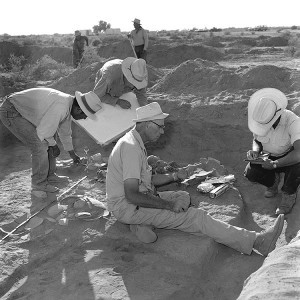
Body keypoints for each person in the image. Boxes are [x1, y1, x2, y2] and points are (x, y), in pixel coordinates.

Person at [106, 101, 285, 256]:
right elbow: (132, 195)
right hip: (127, 205)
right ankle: (257, 242)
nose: (162, 132)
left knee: (183, 197)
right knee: (196, 217)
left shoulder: (136, 143)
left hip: (138, 199)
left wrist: (175, 175)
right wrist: (168, 206)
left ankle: (142, 223)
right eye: (160, 126)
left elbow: (147, 181)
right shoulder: (130, 148)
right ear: (146, 124)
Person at [0, 88, 102, 198]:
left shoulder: (68, 105)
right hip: (12, 111)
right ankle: (38, 185)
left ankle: (50, 176)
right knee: (40, 145)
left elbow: (65, 133)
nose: (84, 118)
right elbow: (43, 133)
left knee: (50, 138)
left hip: (21, 110)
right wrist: (53, 145)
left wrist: (72, 154)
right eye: (85, 115)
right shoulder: (61, 106)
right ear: (78, 110)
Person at [244, 88, 300, 215]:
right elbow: (256, 140)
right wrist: (255, 151)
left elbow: (299, 153)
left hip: (290, 158)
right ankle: (273, 183)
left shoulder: (294, 122)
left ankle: (288, 194)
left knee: (298, 167)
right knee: (250, 172)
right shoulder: (260, 117)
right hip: (268, 157)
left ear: (277, 116)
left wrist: (276, 164)